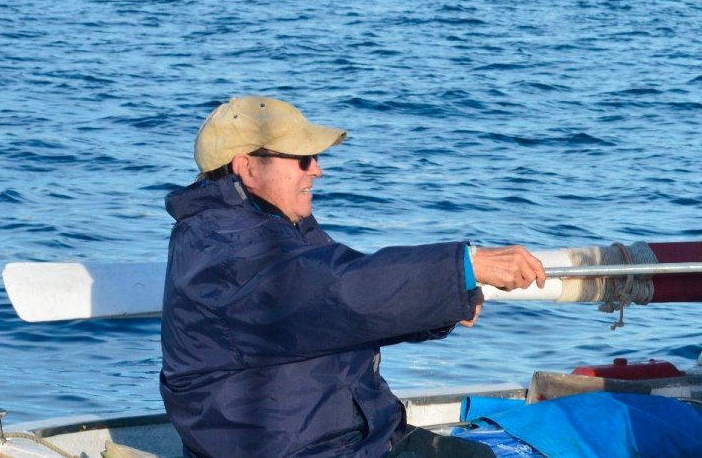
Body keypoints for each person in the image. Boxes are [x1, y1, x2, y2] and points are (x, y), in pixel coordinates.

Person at [160, 95, 547, 458]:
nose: (317, 169)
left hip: (350, 439)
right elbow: (339, 290)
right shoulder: (227, 248)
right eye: (302, 159)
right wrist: (463, 266)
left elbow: (339, 309)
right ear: (247, 167)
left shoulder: (268, 231)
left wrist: (442, 303)